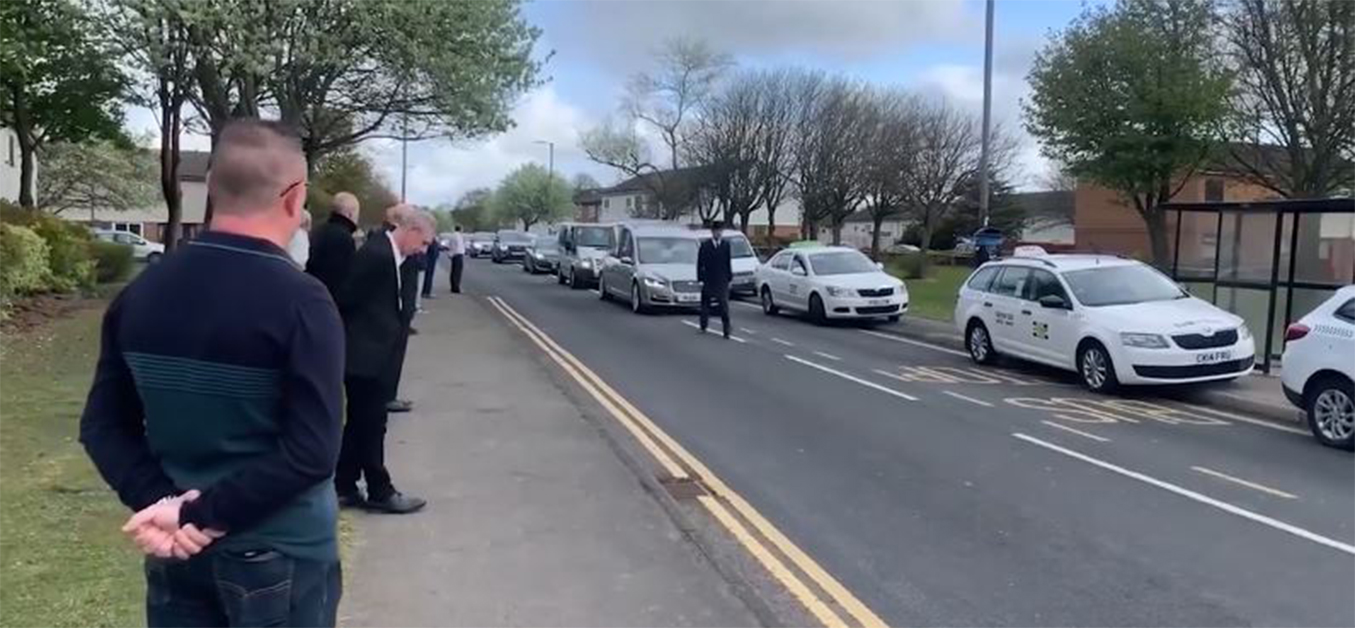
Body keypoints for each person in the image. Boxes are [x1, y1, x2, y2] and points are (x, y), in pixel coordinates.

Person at [79, 118, 344, 627]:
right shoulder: (302, 302)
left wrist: (167, 505)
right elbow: (312, 451)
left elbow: (103, 426)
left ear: (215, 190)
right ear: (295, 197)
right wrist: (197, 514)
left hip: (178, 552)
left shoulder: (141, 295)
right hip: (279, 554)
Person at [334, 204, 433, 514]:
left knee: (360, 424)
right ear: (412, 231)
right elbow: (345, 299)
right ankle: (380, 490)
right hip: (365, 357)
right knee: (373, 425)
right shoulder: (377, 255)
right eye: (425, 242)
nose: (423, 249)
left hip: (373, 355)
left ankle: (344, 485)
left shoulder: (389, 255)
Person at [305, 192, 360, 299]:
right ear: (350, 214)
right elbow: (343, 278)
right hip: (330, 300)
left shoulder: (318, 231)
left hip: (312, 292)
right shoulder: (345, 238)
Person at [697, 221, 734, 339]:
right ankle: (703, 324)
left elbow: (728, 263)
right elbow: (700, 263)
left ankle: (726, 329)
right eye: (717, 231)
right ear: (712, 232)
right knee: (705, 304)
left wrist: (729, 278)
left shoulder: (726, 245)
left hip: (722, 279)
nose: (719, 233)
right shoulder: (705, 245)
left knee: (724, 305)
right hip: (708, 278)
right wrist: (700, 279)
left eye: (720, 231)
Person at [447, 225, 467, 294]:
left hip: (454, 255)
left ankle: (453, 287)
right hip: (458, 255)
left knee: (453, 272)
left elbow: (450, 245)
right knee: (457, 273)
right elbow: (457, 246)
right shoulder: (458, 237)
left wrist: (450, 254)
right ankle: (456, 288)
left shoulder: (453, 235)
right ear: (460, 229)